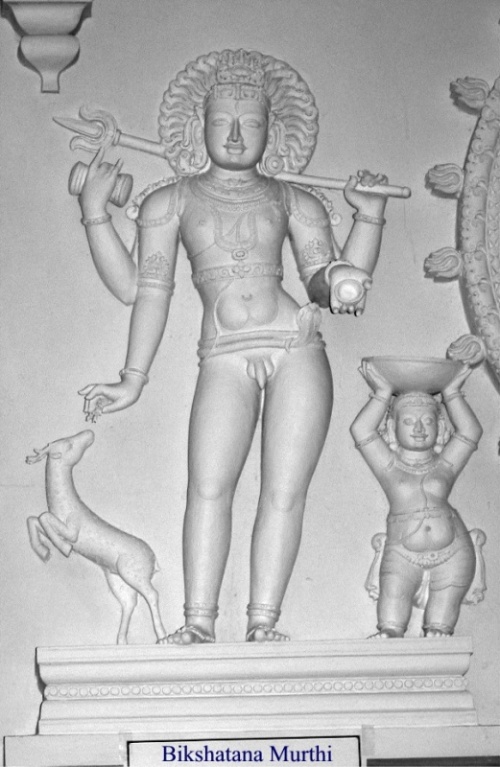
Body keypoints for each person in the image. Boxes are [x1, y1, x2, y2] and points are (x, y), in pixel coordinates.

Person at [78, 49, 390, 643]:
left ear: (273, 132)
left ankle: (263, 622)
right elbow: (141, 289)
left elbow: (332, 287)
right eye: (222, 121)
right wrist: (132, 376)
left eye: (251, 123)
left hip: (296, 345)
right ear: (200, 126)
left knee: (284, 491)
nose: (237, 135)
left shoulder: (293, 200)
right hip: (222, 351)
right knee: (208, 486)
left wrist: (368, 222)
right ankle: (199, 622)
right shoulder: (170, 201)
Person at [350, 360, 483, 638]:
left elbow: (470, 432)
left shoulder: (445, 464)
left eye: (428, 421)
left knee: (439, 632)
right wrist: (382, 393)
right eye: (409, 421)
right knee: (391, 619)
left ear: (439, 427)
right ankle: (392, 632)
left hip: (454, 550)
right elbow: (362, 430)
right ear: (393, 427)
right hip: (403, 551)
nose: (419, 429)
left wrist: (452, 393)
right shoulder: (389, 467)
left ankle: (439, 630)